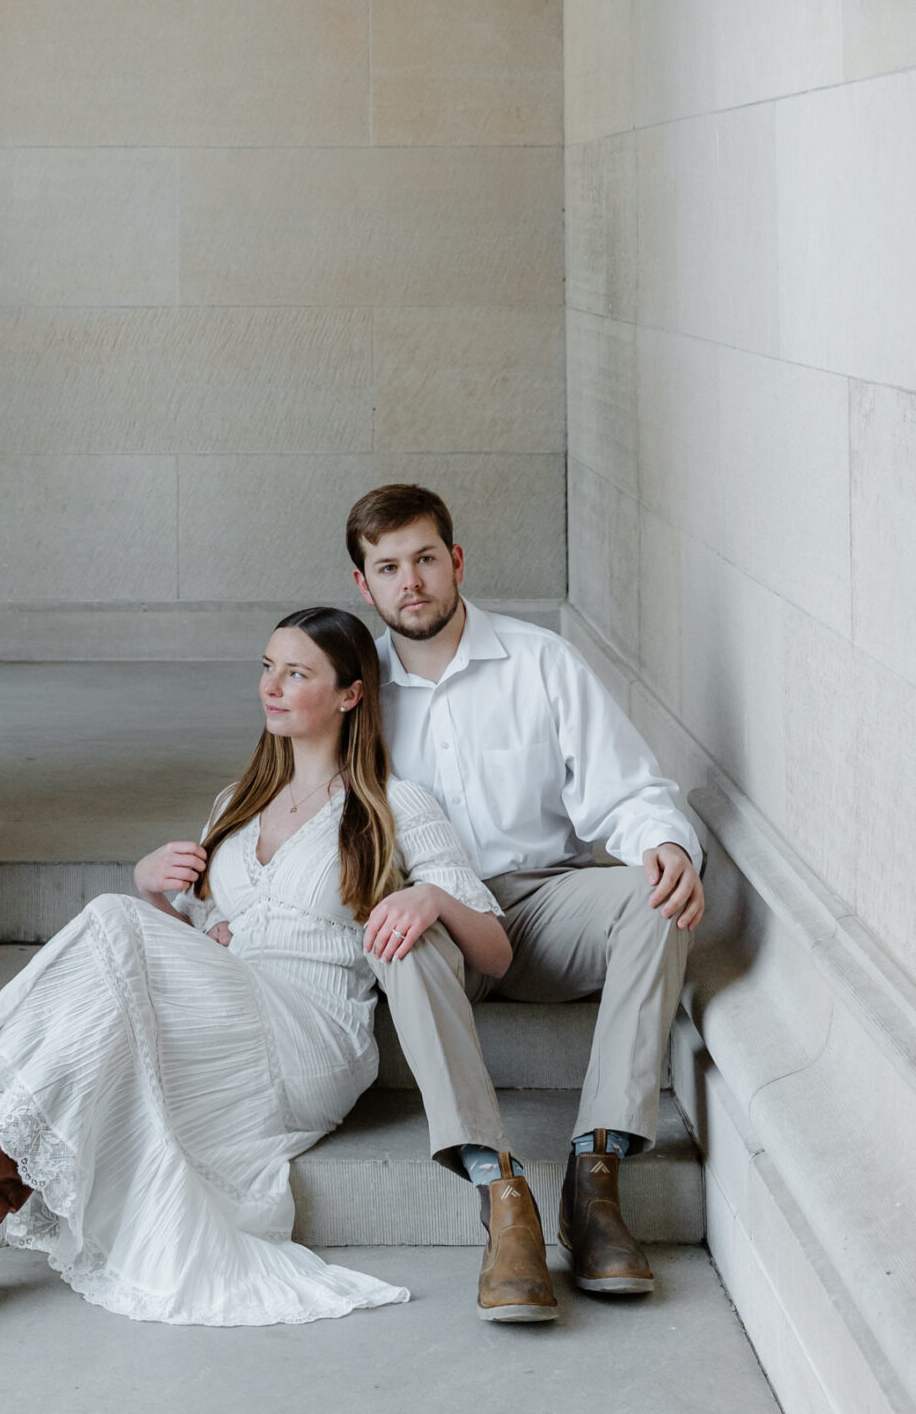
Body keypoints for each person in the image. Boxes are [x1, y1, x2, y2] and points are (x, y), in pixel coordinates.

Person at [0, 606, 510, 1331]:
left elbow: (496, 951)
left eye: (296, 673)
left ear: (350, 695)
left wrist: (430, 895)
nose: (271, 687)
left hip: (307, 1038)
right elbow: (164, 961)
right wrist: (151, 889)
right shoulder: (237, 805)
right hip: (224, 1018)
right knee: (96, 1008)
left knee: (106, 922)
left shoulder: (394, 804)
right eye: (265, 667)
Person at [343, 482, 705, 1324]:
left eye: (426, 558)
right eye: (388, 567)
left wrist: (666, 842)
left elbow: (632, 788)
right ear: (364, 586)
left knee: (654, 899)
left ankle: (596, 1175)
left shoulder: (540, 660)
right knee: (401, 934)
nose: (412, 582)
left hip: (545, 905)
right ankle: (500, 1194)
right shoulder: (358, 691)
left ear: (457, 560)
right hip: (437, 919)